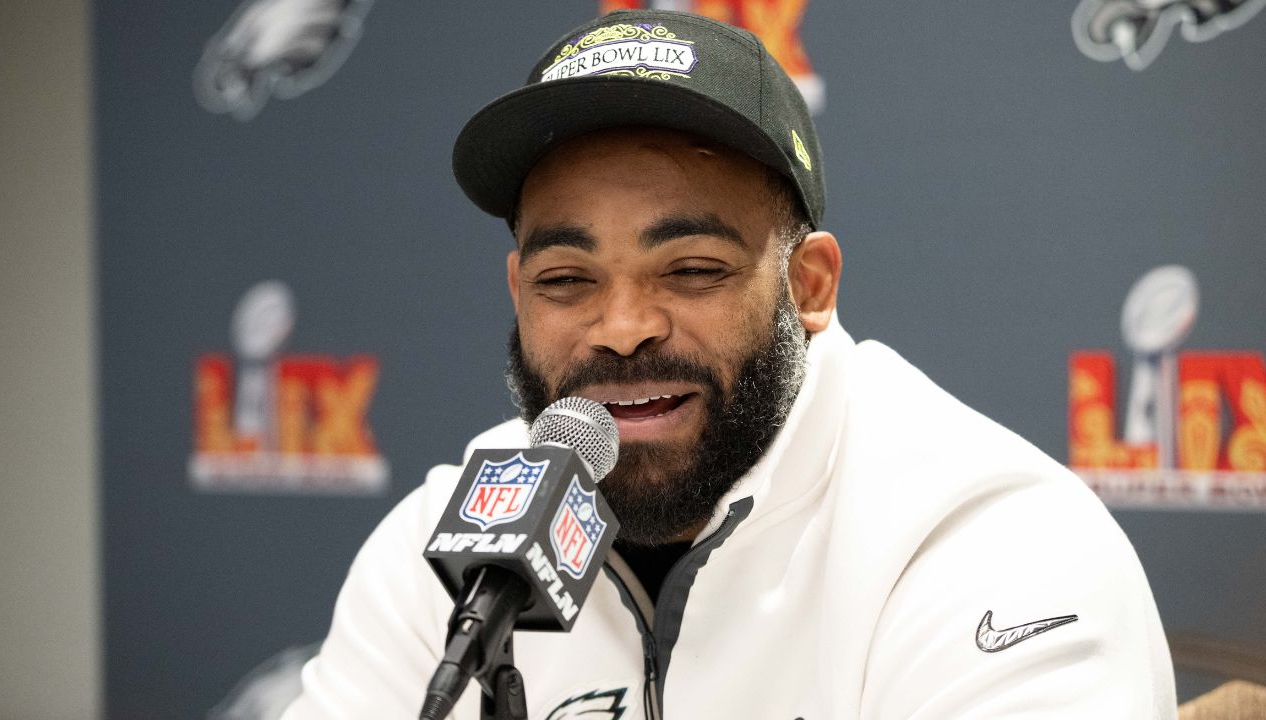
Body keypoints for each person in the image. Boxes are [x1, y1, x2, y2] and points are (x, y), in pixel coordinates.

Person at [283, 9, 1177, 719]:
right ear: (518, 292)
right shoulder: (440, 551)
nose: (623, 328)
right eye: (566, 278)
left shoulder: (989, 544)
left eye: (693, 269)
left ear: (810, 285)